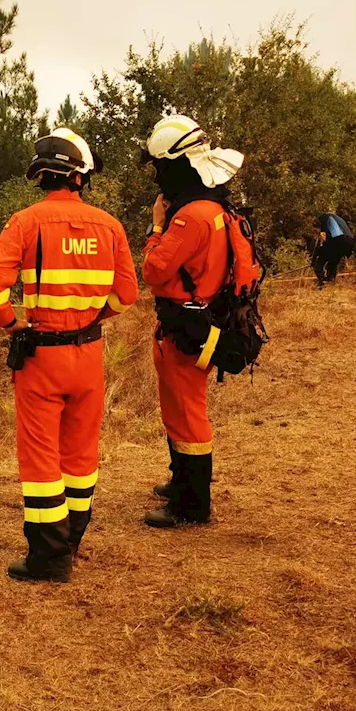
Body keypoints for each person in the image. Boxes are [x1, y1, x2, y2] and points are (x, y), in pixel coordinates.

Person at [0, 127, 139, 583]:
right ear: (80, 177)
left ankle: (48, 559)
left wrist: (8, 323)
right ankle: (72, 541)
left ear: (41, 176)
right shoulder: (110, 225)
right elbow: (127, 293)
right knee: (81, 453)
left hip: (41, 357)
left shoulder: (25, 222)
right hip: (89, 355)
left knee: (41, 458)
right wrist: (94, 318)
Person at [140, 114, 247, 527]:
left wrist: (156, 226)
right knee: (178, 408)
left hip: (187, 327)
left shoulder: (189, 218)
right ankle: (181, 482)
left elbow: (153, 270)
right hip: (197, 321)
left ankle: (192, 505)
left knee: (187, 412)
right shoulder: (217, 208)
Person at [312, 210, 355, 285]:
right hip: (349, 242)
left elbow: (326, 241)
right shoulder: (340, 219)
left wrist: (314, 260)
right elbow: (329, 242)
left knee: (319, 262)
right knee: (332, 262)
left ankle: (322, 283)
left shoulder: (325, 216)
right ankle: (330, 281)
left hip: (338, 240)